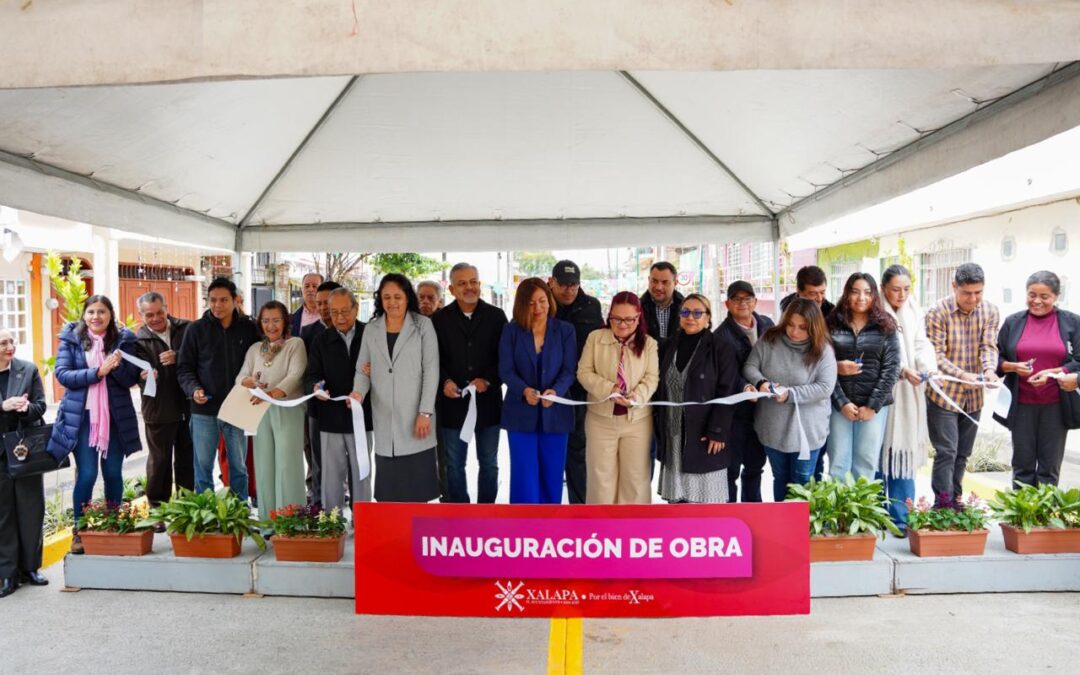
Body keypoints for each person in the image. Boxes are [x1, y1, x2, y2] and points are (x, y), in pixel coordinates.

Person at [46, 295, 145, 554]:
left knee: (113, 472)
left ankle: (113, 525)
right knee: (87, 474)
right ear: (84, 315)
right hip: (82, 418)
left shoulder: (123, 341)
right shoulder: (72, 339)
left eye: (102, 311)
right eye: (91, 312)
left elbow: (129, 379)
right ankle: (79, 531)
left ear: (110, 315)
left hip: (114, 418)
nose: (96, 317)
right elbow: (63, 374)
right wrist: (98, 372)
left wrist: (117, 367)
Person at [351, 274, 440, 503]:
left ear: (407, 298)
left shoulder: (423, 326)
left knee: (417, 491)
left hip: (415, 418)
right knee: (389, 493)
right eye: (387, 297)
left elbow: (432, 371)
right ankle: (394, 537)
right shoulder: (372, 329)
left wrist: (425, 412)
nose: (392, 302)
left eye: (398, 297)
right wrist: (357, 393)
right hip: (384, 419)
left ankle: (415, 536)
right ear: (380, 299)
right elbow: (363, 369)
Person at [743, 299, 837, 502]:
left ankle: (802, 530)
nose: (794, 332)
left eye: (802, 328)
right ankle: (781, 528)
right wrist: (761, 382)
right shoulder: (770, 339)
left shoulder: (823, 350)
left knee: (802, 481)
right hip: (773, 427)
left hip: (807, 431)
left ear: (814, 327)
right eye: (790, 324)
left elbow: (824, 388)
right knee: (780, 478)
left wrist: (790, 394)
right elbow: (750, 366)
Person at [177, 277, 260, 502]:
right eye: (212, 300)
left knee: (239, 467)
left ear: (235, 301)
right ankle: (207, 514)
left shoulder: (249, 328)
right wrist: (194, 389)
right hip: (204, 410)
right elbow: (184, 368)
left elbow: (261, 360)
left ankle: (239, 513)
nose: (217, 305)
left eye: (223, 300)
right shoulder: (196, 330)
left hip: (238, 409)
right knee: (203, 467)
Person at [995, 271, 1080, 487]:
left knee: (1049, 468)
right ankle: (1021, 517)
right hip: (1021, 405)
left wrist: (1055, 371)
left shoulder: (1072, 323)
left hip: (1056, 407)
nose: (1037, 301)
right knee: (1022, 466)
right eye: (1032, 294)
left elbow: (1079, 360)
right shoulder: (1013, 322)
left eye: (1045, 296)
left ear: (1056, 296)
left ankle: (1043, 518)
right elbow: (995, 358)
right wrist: (1011, 366)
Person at [924, 263, 1000, 506]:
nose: (973, 298)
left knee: (963, 454)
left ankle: (956, 501)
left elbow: (988, 346)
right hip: (944, 394)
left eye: (978, 292)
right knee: (947, 452)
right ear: (954, 286)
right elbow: (936, 355)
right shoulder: (937, 311)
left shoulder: (989, 311)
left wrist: (988, 370)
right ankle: (942, 504)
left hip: (974, 397)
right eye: (967, 293)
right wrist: (962, 374)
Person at [432, 263, 508, 503]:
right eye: (462, 283)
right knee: (454, 465)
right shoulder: (439, 319)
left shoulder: (497, 317)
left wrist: (488, 379)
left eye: (473, 281)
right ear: (452, 289)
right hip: (452, 405)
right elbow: (433, 359)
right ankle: (459, 512)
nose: (469, 287)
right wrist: (444, 381)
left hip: (488, 405)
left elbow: (505, 359)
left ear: (480, 285)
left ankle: (486, 512)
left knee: (489, 463)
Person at [654, 294, 739, 503]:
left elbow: (727, 391)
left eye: (697, 313)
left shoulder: (721, 348)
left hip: (704, 432)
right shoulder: (667, 345)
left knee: (706, 502)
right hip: (672, 431)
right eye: (685, 312)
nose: (690, 317)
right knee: (677, 501)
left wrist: (717, 431)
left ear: (708, 318)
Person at [499, 278, 578, 504]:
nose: (538, 308)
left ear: (550, 300)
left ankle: (549, 530)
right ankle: (523, 530)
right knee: (524, 475)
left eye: (542, 301)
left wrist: (557, 391)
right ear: (522, 304)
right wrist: (524, 390)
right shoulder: (511, 330)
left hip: (556, 415)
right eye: (531, 303)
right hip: (520, 414)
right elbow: (505, 370)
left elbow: (569, 370)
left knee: (552, 474)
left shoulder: (565, 330)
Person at [577, 292, 659, 505]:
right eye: (616, 319)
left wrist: (636, 397)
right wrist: (609, 389)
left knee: (635, 480)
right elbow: (583, 372)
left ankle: (632, 533)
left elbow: (652, 378)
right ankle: (601, 531)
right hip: (600, 420)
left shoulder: (649, 344)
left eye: (629, 319)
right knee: (601, 478)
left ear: (638, 317)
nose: (622, 325)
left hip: (637, 421)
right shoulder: (595, 338)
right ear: (609, 316)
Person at [879, 265, 938, 531]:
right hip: (881, 392)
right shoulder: (875, 310)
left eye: (906, 289)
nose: (901, 294)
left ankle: (902, 518)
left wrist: (927, 367)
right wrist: (901, 370)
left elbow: (920, 343)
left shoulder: (914, 310)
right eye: (895, 289)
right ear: (883, 288)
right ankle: (877, 516)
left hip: (909, 395)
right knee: (878, 456)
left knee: (902, 455)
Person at [236, 301, 307, 521]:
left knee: (287, 464)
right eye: (266, 321)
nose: (271, 325)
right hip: (260, 412)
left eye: (276, 320)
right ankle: (268, 520)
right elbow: (240, 377)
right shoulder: (255, 349)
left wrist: (273, 394)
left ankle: (290, 520)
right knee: (264, 463)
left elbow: (295, 376)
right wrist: (248, 382)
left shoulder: (295, 344)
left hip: (288, 409)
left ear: (285, 321)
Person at [826, 273, 900, 480]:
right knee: (838, 462)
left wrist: (873, 405)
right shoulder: (831, 323)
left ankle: (863, 512)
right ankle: (839, 512)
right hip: (839, 405)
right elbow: (823, 367)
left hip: (874, 407)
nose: (861, 298)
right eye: (855, 292)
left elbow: (891, 369)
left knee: (866, 462)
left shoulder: (886, 325)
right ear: (846, 294)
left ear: (875, 295)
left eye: (867, 292)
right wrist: (841, 402)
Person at [306, 288, 373, 512]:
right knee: (331, 475)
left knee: (362, 471)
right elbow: (312, 374)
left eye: (345, 311)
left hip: (362, 417)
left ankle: (363, 520)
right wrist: (316, 386)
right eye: (334, 313)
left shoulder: (370, 334)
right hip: (330, 417)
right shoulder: (321, 340)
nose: (340, 318)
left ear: (356, 308)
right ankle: (332, 523)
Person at [133, 292, 194, 519]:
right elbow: (132, 373)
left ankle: (188, 507)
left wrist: (179, 356)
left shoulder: (186, 328)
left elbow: (200, 357)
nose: (156, 318)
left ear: (166, 308)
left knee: (187, 458)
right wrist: (143, 376)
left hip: (188, 405)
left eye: (160, 312)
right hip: (158, 408)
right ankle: (158, 510)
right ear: (142, 315)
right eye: (150, 315)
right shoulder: (137, 340)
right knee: (159, 462)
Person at [549, 260, 604, 504]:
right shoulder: (543, 304)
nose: (569, 290)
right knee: (551, 451)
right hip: (549, 391)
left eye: (574, 285)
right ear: (552, 282)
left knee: (579, 451)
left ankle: (579, 509)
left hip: (580, 391)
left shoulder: (591, 306)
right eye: (563, 285)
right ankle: (547, 512)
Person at [714, 280, 774, 502]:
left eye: (747, 298)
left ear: (755, 301)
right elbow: (725, 373)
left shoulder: (768, 325)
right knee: (731, 471)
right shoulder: (720, 336)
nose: (742, 303)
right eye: (736, 299)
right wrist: (745, 387)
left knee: (755, 466)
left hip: (764, 410)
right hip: (735, 414)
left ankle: (754, 513)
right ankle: (730, 518)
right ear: (727, 304)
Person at [0, 328, 49, 595]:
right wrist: (2, 406)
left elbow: (41, 405)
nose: (9, 347)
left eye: (11, 342)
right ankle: (7, 574)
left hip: (24, 450)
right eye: (3, 343)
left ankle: (31, 568)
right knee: (3, 514)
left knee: (31, 508)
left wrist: (26, 408)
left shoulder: (27, 370)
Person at [780, 265, 835, 481]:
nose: (820, 298)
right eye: (813, 294)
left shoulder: (832, 312)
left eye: (822, 292)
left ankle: (813, 510)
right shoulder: (787, 310)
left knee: (815, 461)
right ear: (799, 292)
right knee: (787, 470)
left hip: (821, 392)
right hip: (789, 393)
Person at [300, 279, 341, 505]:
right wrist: (314, 387)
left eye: (328, 303)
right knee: (317, 460)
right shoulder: (307, 332)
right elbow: (305, 373)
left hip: (347, 407)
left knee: (349, 461)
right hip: (317, 408)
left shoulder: (360, 330)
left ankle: (353, 507)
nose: (324, 308)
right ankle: (318, 505)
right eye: (320, 304)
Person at [640, 261, 683, 346]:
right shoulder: (637, 307)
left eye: (665, 282)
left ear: (675, 283)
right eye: (654, 281)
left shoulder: (685, 308)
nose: (659, 287)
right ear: (649, 280)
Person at [290, 272, 323, 337]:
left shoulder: (331, 315)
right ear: (302, 289)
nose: (310, 289)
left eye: (314, 286)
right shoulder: (293, 319)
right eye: (307, 286)